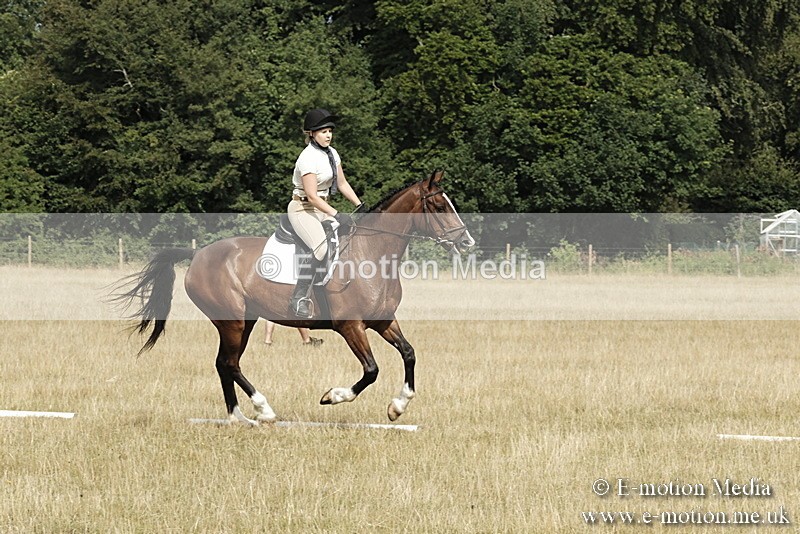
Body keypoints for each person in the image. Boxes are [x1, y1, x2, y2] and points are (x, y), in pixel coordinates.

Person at [287, 108, 361, 318]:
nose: (328, 135)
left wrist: (359, 204)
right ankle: (299, 297)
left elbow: (342, 183)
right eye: (323, 131)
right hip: (303, 209)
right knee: (320, 250)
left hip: (323, 207)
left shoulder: (332, 153)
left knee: (352, 237)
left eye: (329, 131)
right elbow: (311, 196)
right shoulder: (307, 158)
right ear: (311, 133)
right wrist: (337, 214)